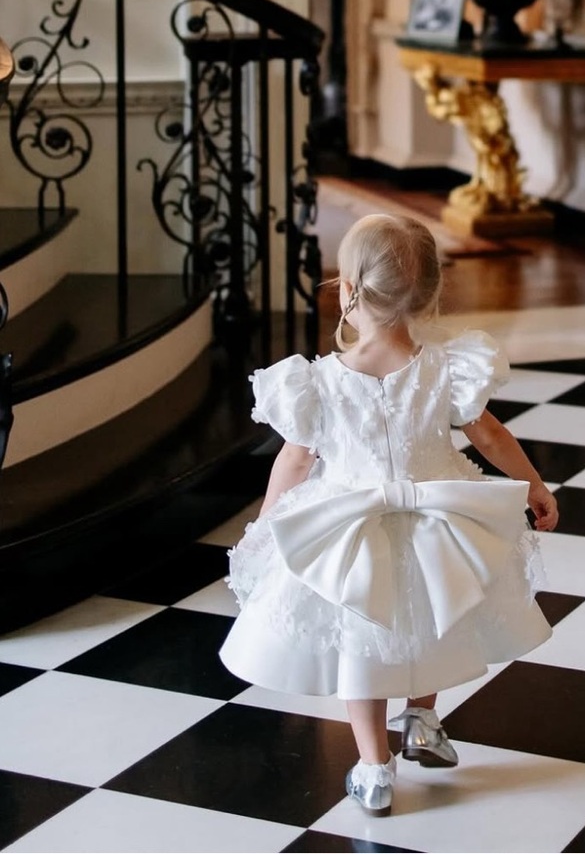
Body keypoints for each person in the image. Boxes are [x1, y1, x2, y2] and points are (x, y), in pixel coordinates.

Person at [219, 213, 558, 817]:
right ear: (427, 294)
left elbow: (295, 464)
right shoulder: (448, 368)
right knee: (436, 611)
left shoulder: (317, 382)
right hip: (439, 519)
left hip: (352, 530)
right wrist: (532, 484)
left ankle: (374, 766)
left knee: (364, 638)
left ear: (347, 293)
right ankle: (423, 718)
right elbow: (490, 436)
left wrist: (270, 523)